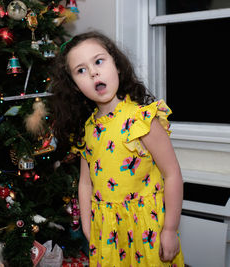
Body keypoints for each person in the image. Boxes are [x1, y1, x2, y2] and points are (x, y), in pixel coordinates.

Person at [49, 31, 184, 266]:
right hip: (107, 232)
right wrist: (88, 227)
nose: (93, 72)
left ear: (117, 66)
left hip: (147, 230)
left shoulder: (142, 120)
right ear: (75, 86)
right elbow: (85, 182)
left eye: (98, 61)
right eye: (81, 70)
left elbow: (172, 174)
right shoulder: (88, 128)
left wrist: (170, 230)